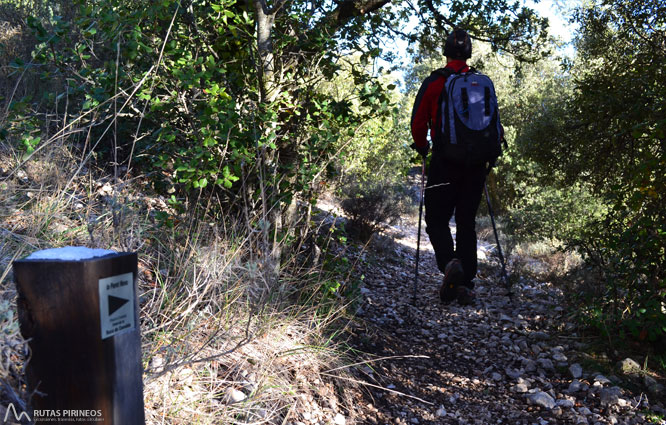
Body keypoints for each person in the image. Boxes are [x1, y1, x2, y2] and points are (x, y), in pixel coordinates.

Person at [410, 28, 501, 306]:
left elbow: (418, 124)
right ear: (469, 52)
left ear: (446, 51)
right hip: (476, 164)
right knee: (466, 222)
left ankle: (450, 264)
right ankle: (466, 282)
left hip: (444, 161)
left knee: (437, 218)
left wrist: (423, 148)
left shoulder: (435, 82)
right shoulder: (481, 82)